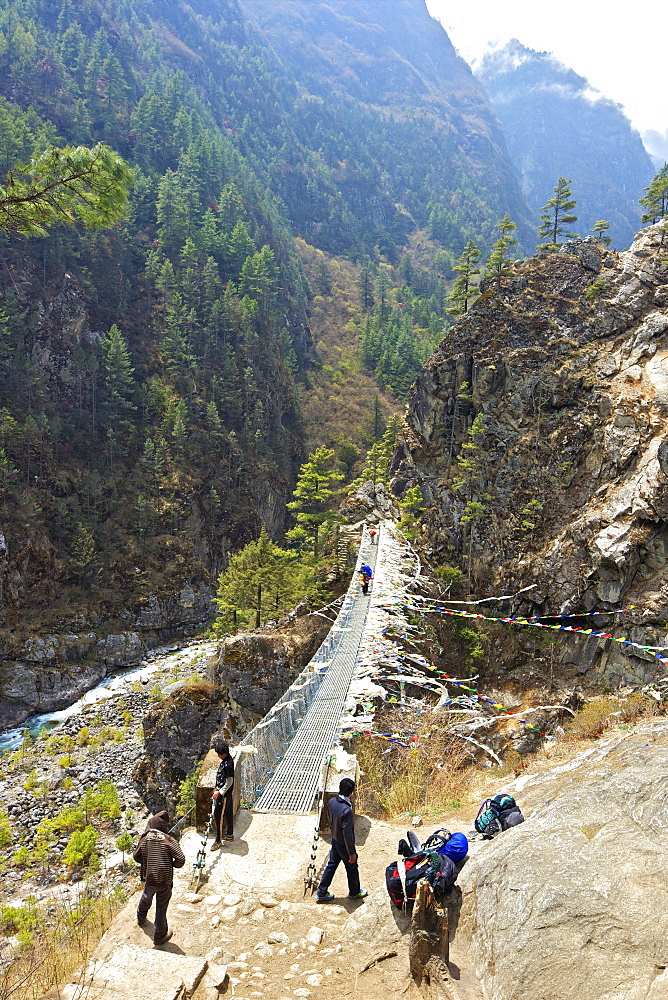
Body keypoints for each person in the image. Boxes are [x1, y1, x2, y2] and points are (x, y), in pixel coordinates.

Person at [134, 810, 185, 947]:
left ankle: (141, 917)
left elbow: (136, 856)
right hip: (164, 879)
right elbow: (181, 859)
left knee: (146, 896)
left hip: (149, 876)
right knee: (161, 907)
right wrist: (172, 864)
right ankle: (160, 936)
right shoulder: (169, 840)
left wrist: (147, 860)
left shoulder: (144, 838)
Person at [316, 778, 368, 903]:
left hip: (335, 839)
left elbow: (329, 818)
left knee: (331, 865)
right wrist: (351, 852)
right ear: (351, 792)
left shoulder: (332, 802)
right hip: (343, 844)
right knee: (352, 867)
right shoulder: (347, 810)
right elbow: (348, 834)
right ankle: (355, 892)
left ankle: (322, 892)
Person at [210, 735, 235, 849]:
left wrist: (219, 792)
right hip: (225, 793)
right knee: (228, 812)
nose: (218, 756)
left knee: (218, 815)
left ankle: (218, 840)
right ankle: (229, 834)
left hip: (224, 794)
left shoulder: (228, 764)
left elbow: (229, 781)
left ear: (223, 754)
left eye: (219, 754)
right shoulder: (227, 759)